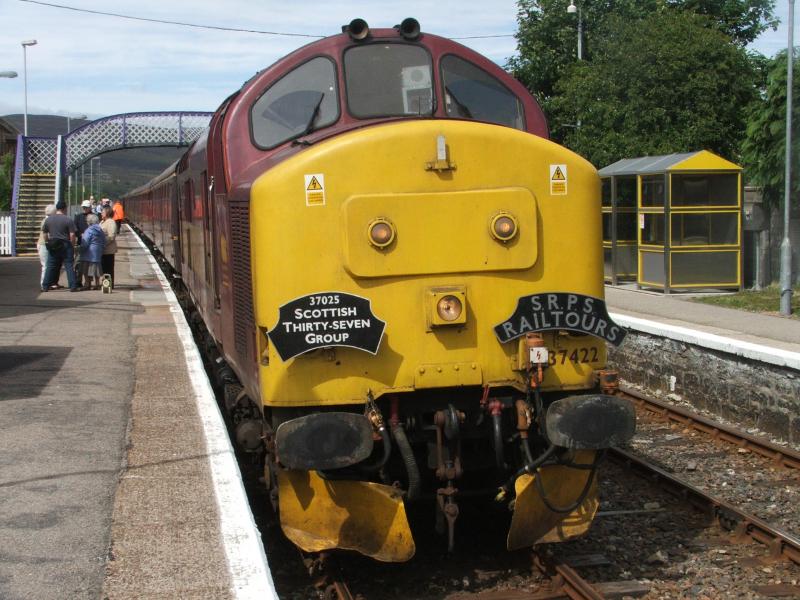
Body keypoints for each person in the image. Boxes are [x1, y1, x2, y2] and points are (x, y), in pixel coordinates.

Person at [41, 200, 79, 292]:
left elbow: (45, 233)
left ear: (57, 208)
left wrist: (47, 243)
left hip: (53, 244)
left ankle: (45, 286)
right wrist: (72, 245)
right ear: (65, 208)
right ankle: (73, 286)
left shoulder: (48, 220)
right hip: (65, 244)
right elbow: (72, 235)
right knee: (69, 265)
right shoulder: (68, 220)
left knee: (50, 266)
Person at [79, 213, 106, 290]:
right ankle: (97, 284)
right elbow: (104, 240)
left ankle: (87, 284)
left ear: (89, 222)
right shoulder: (100, 230)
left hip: (89, 253)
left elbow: (85, 243)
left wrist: (81, 249)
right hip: (98, 252)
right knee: (96, 270)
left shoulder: (89, 230)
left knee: (86, 269)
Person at [37, 204, 57, 289]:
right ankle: (43, 284)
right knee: (45, 265)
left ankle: (47, 283)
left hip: (43, 244)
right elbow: (47, 234)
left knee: (48, 265)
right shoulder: (47, 221)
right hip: (44, 244)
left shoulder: (46, 220)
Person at [100, 205, 117, 288]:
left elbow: (111, 236)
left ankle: (108, 285)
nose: (101, 213)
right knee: (104, 269)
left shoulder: (110, 222)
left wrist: (103, 243)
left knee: (108, 269)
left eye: (102, 212)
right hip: (103, 250)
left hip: (108, 250)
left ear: (107, 212)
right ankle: (106, 284)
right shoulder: (103, 221)